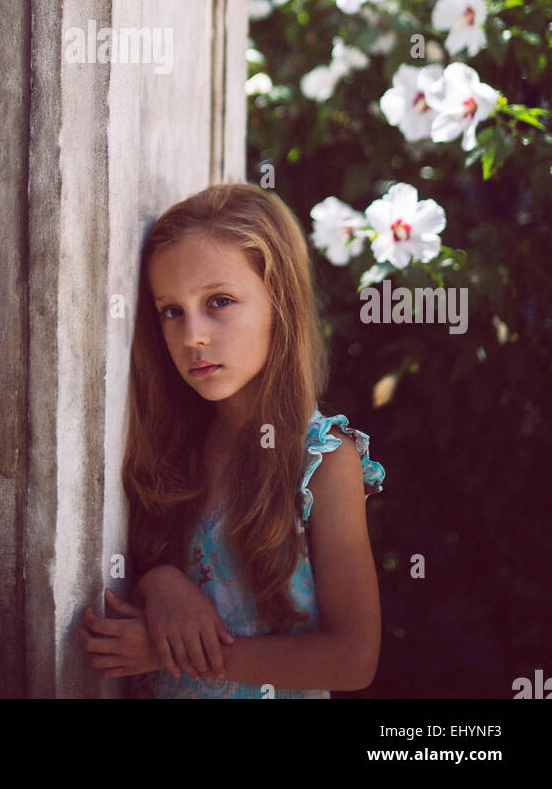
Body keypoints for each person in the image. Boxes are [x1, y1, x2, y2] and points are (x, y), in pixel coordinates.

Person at [77, 181, 385, 698]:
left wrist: (169, 653)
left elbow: (353, 660)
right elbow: (154, 557)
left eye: (219, 301)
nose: (192, 335)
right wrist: (158, 583)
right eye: (171, 311)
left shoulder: (324, 463)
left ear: (279, 303)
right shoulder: (168, 442)